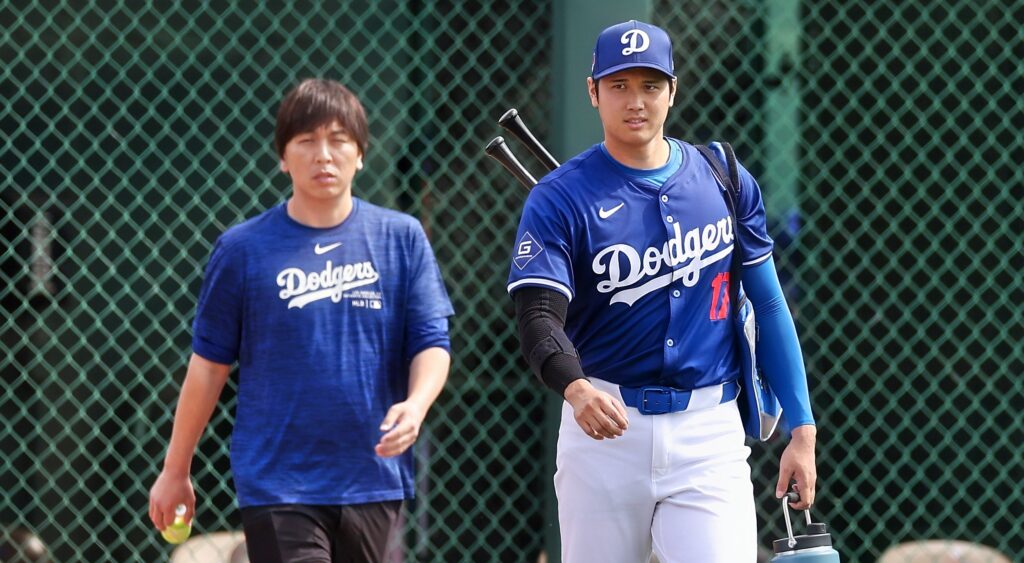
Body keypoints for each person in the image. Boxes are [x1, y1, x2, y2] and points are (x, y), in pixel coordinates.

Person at [507, 20, 817, 562]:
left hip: (709, 432)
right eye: (619, 85)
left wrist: (802, 426)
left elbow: (768, 304)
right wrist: (575, 388)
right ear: (593, 91)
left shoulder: (723, 175)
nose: (636, 101)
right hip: (604, 431)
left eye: (650, 86)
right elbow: (538, 317)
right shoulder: (560, 198)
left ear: (672, 91)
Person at [148, 78, 454, 563]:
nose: (323, 155)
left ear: (361, 154)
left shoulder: (402, 238)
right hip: (278, 484)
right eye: (306, 142)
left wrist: (415, 406)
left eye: (338, 140)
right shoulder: (243, 250)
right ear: (283, 158)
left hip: (373, 477)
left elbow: (432, 342)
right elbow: (208, 366)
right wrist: (175, 468)